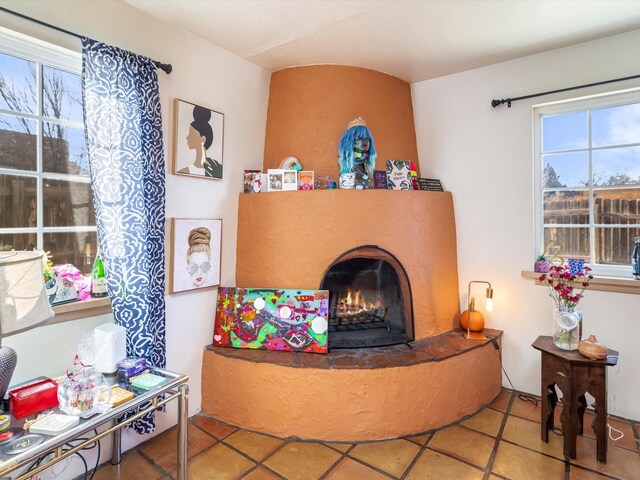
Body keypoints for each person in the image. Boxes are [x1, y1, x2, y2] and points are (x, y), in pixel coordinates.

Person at [179, 105, 222, 178]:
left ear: (203, 139)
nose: (187, 137)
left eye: (191, 134)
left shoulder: (216, 170)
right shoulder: (186, 171)